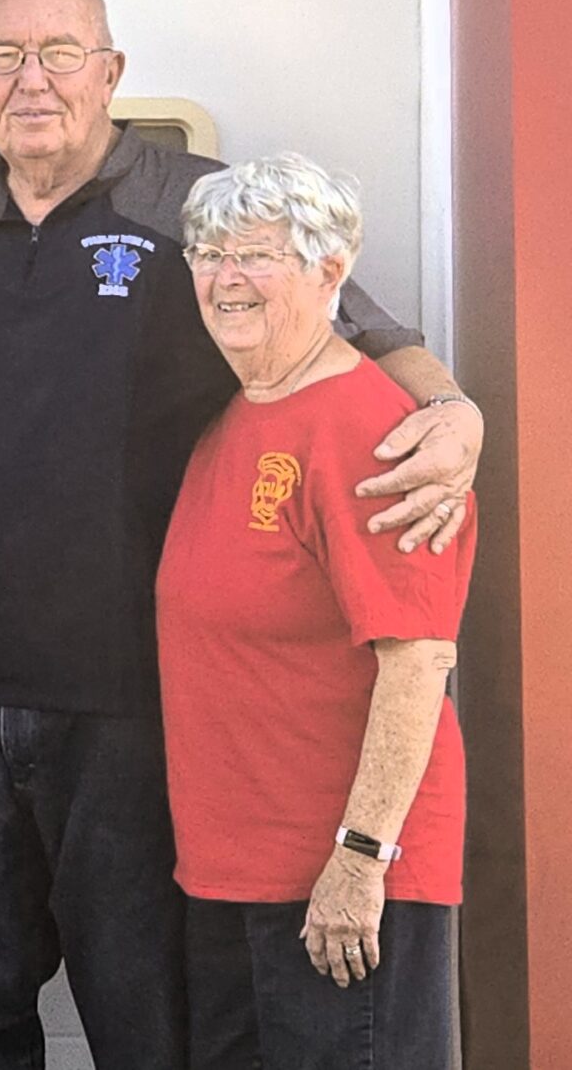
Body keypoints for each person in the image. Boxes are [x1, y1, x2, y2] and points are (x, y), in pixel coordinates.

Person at [0, 0, 481, 1069]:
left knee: (153, 1033)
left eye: (60, 53)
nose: (32, 80)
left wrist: (454, 411)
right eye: (4, 56)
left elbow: (363, 335)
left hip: (138, 715)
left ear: (111, 71)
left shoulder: (199, 213)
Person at [157, 155, 471, 1069]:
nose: (227, 278)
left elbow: (417, 659)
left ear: (331, 271)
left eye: (257, 254)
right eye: (209, 254)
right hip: (232, 877)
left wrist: (361, 858)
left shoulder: (373, 433)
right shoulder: (233, 417)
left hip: (343, 889)